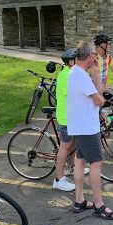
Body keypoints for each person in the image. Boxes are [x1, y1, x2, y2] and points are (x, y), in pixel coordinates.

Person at [67, 41, 113, 220]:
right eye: (94, 57)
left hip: (81, 125)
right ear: (89, 56)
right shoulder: (80, 75)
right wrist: (96, 76)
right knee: (96, 164)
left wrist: (96, 74)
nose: (96, 59)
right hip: (87, 128)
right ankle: (99, 205)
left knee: (80, 161)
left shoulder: (76, 72)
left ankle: (79, 199)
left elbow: (97, 93)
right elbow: (100, 99)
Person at [51, 49, 78, 192]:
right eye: (76, 59)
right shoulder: (65, 75)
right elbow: (73, 96)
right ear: (70, 61)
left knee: (73, 143)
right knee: (65, 146)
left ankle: (73, 167)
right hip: (66, 117)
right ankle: (59, 179)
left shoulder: (72, 73)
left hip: (72, 116)